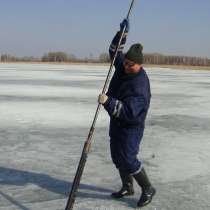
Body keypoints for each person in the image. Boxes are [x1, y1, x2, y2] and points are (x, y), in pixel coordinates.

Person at [98, 19, 156, 208]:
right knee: (117, 156)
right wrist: (121, 34)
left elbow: (130, 112)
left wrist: (108, 101)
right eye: (126, 62)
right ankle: (127, 186)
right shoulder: (124, 66)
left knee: (128, 158)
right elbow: (114, 53)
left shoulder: (140, 85)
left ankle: (147, 188)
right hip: (117, 122)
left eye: (131, 64)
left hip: (131, 126)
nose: (126, 66)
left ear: (139, 65)